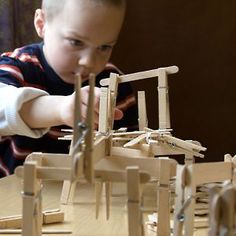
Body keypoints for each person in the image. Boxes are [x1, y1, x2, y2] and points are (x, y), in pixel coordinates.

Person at [0, 0, 138, 177]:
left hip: (86, 196)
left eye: (104, 47)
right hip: (16, 196)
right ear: (41, 24)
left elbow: (129, 153)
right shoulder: (17, 67)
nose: (89, 61)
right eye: (76, 42)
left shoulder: (114, 84)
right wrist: (60, 108)